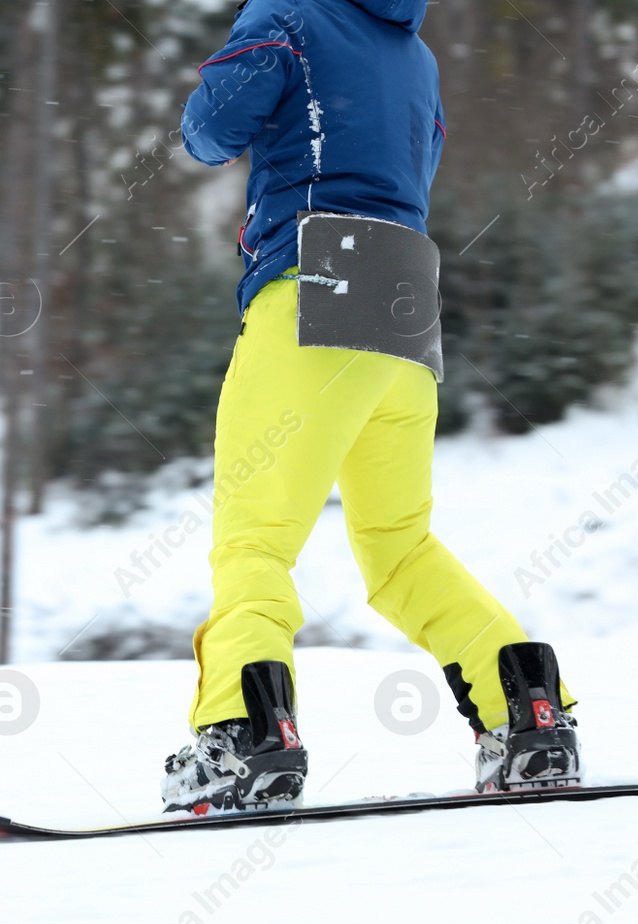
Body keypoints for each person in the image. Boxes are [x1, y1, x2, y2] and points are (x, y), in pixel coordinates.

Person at [160, 0, 581, 815]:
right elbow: (417, 163)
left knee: (255, 538)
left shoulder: (290, 16)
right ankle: (530, 718)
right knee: (401, 547)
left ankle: (243, 739)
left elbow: (207, 129)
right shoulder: (413, 53)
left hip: (314, 282)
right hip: (404, 296)